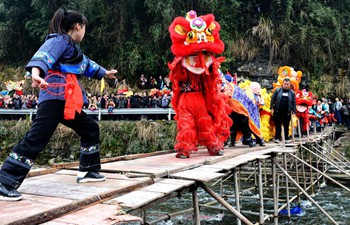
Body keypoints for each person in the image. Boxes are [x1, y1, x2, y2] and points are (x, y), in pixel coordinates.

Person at [0, 8, 117, 201]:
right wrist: (36, 74)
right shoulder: (59, 40)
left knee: (90, 128)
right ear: (78, 26)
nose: (84, 33)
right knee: (37, 137)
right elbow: (43, 55)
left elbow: (86, 64)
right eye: (84, 29)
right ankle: (5, 181)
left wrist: (105, 73)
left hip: (66, 100)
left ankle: (87, 171)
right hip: (54, 96)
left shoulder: (71, 47)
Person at [270, 78, 296, 143]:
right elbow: (272, 100)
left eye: (287, 84)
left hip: (287, 112)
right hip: (278, 111)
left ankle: (286, 138)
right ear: (282, 84)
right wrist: (272, 108)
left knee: (286, 125)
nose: (286, 85)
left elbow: (294, 102)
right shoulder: (277, 90)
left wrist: (293, 111)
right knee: (277, 125)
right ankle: (277, 138)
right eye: (285, 84)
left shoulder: (292, 93)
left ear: (290, 85)